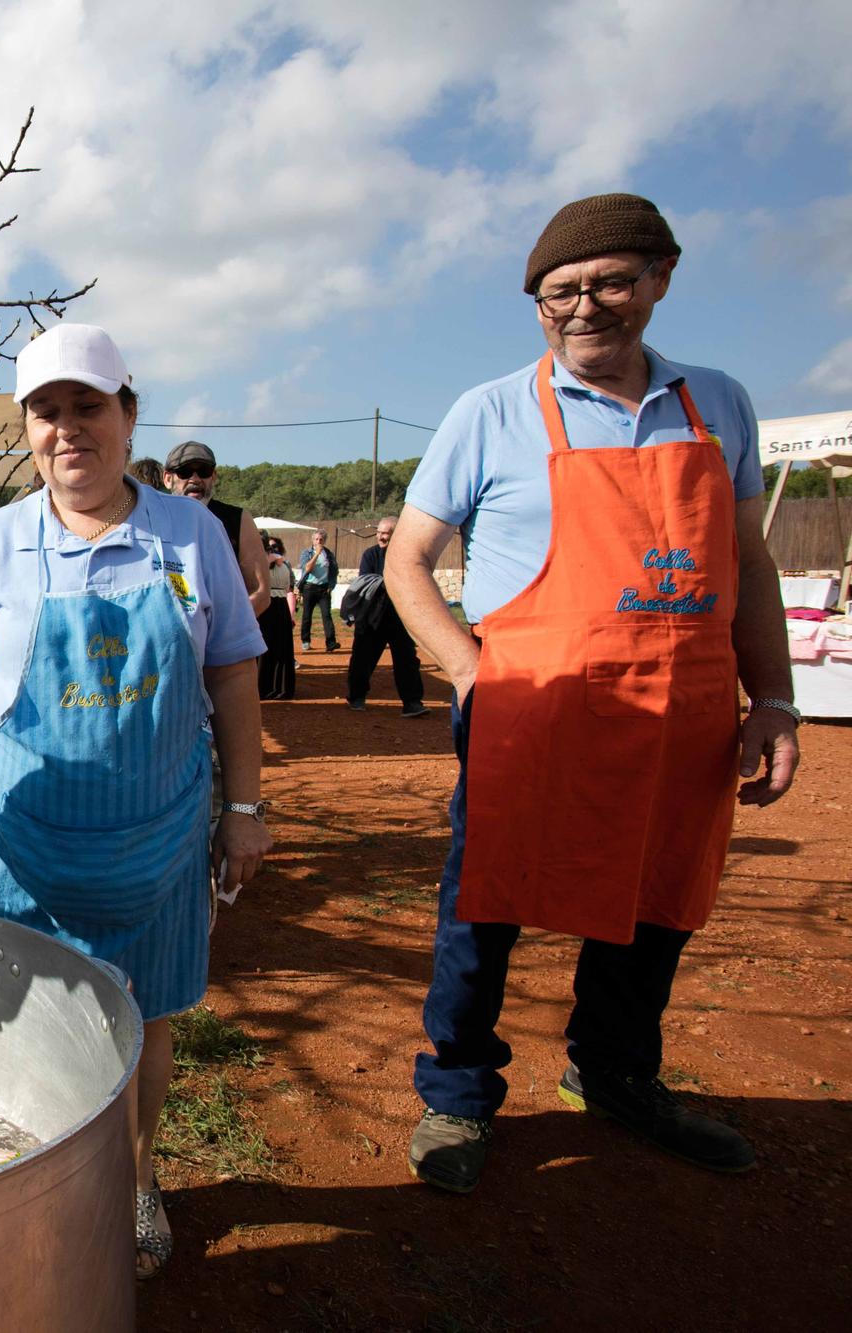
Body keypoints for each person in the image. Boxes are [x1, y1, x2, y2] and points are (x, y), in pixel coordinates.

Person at [388, 193, 801, 1195]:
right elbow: (406, 563)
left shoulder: (717, 403)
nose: (582, 306)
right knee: (482, 906)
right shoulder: (489, 411)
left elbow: (743, 562)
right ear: (534, 304)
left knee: (653, 902)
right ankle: (454, 1093)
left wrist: (774, 698)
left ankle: (613, 1074)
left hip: (683, 711)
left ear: (657, 279)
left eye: (609, 281)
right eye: (557, 292)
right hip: (528, 710)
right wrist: (467, 664)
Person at [0, 322, 270, 1280]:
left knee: (146, 1020)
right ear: (28, 429)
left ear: (129, 414)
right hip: (16, 837)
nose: (68, 429)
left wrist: (245, 807)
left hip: (155, 836)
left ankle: (134, 1181)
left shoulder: (190, 534)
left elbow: (231, 672)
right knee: (0, 1011)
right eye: (47, 412)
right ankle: (4, 1177)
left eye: (88, 407)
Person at [163, 440, 271, 616]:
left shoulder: (237, 519)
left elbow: (260, 593)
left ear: (213, 477)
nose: (195, 479)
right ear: (168, 479)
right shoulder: (153, 519)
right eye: (185, 472)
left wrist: (224, 632)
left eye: (204, 471)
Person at [344, 517, 426, 716]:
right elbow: (367, 581)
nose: (380, 536)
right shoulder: (370, 555)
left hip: (400, 616)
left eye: (385, 533)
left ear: (396, 534)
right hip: (372, 617)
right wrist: (394, 582)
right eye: (379, 532)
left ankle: (412, 702)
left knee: (407, 659)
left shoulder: (407, 555)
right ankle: (357, 697)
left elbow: (416, 581)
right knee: (362, 659)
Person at [258, 536, 296, 699]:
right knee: (275, 647)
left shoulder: (267, 563)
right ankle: (275, 687)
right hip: (277, 606)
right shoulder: (283, 563)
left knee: (272, 647)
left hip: (271, 605)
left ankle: (268, 687)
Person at [296, 530, 339, 651]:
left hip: (324, 588)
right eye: (316, 539)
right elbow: (307, 568)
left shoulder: (329, 554)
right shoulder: (307, 553)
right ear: (312, 540)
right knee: (307, 615)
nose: (319, 541)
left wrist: (331, 585)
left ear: (324, 541)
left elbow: (334, 570)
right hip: (309, 587)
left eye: (321, 539)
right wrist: (317, 554)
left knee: (327, 615)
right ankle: (305, 641)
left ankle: (331, 643)